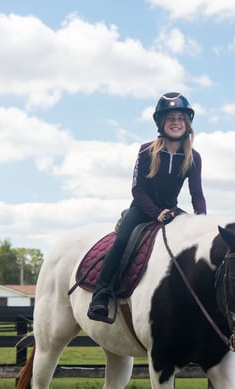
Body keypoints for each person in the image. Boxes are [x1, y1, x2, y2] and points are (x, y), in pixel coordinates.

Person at [87, 92, 207, 322]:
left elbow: (197, 194)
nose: (176, 122)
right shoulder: (146, 151)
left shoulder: (193, 157)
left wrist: (203, 223)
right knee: (121, 241)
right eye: (170, 118)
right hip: (143, 209)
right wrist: (156, 213)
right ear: (161, 123)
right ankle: (101, 293)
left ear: (188, 123)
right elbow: (137, 191)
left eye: (181, 118)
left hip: (171, 210)